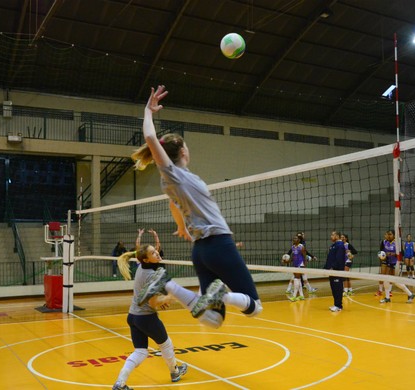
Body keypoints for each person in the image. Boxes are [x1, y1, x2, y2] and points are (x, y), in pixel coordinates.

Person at [131, 85, 262, 323]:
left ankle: (167, 284)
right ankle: (223, 295)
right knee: (255, 307)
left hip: (201, 250)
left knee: (212, 318)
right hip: (219, 243)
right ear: (182, 150)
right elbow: (150, 138)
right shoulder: (175, 174)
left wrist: (181, 227)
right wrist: (148, 112)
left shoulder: (170, 182)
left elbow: (173, 206)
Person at [111, 244, 192, 390]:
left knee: (140, 352)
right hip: (146, 318)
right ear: (146, 260)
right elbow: (153, 303)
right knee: (166, 344)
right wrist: (169, 297)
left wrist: (159, 297)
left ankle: (119, 383)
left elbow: (151, 296)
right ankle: (174, 372)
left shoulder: (142, 268)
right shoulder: (151, 275)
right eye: (153, 253)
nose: (157, 253)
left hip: (133, 316)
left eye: (155, 251)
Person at [379, 230, 415, 303]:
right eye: (388, 234)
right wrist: (383, 256)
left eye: (390, 234)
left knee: (395, 280)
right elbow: (382, 252)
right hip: (389, 263)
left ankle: (410, 294)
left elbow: (402, 253)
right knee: (387, 279)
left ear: (394, 235)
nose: (389, 236)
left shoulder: (397, 243)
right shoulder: (385, 242)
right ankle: (387, 298)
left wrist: (394, 254)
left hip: (397, 264)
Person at [324, 230, 346, 312]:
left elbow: (339, 259)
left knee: (337, 288)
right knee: (333, 288)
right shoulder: (334, 245)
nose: (331, 237)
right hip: (332, 271)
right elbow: (330, 258)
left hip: (337, 271)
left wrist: (333, 267)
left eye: (332, 235)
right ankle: (336, 304)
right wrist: (326, 268)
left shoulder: (340, 245)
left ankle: (339, 306)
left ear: (337, 236)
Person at [287, 235, 307, 301]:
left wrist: (304, 265)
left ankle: (294, 296)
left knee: (296, 279)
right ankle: (301, 296)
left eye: (296, 238)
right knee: (298, 280)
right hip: (295, 264)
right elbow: (293, 257)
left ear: (299, 240)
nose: (294, 239)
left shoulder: (301, 247)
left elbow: (304, 256)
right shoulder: (293, 247)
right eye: (294, 238)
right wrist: (288, 261)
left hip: (300, 264)